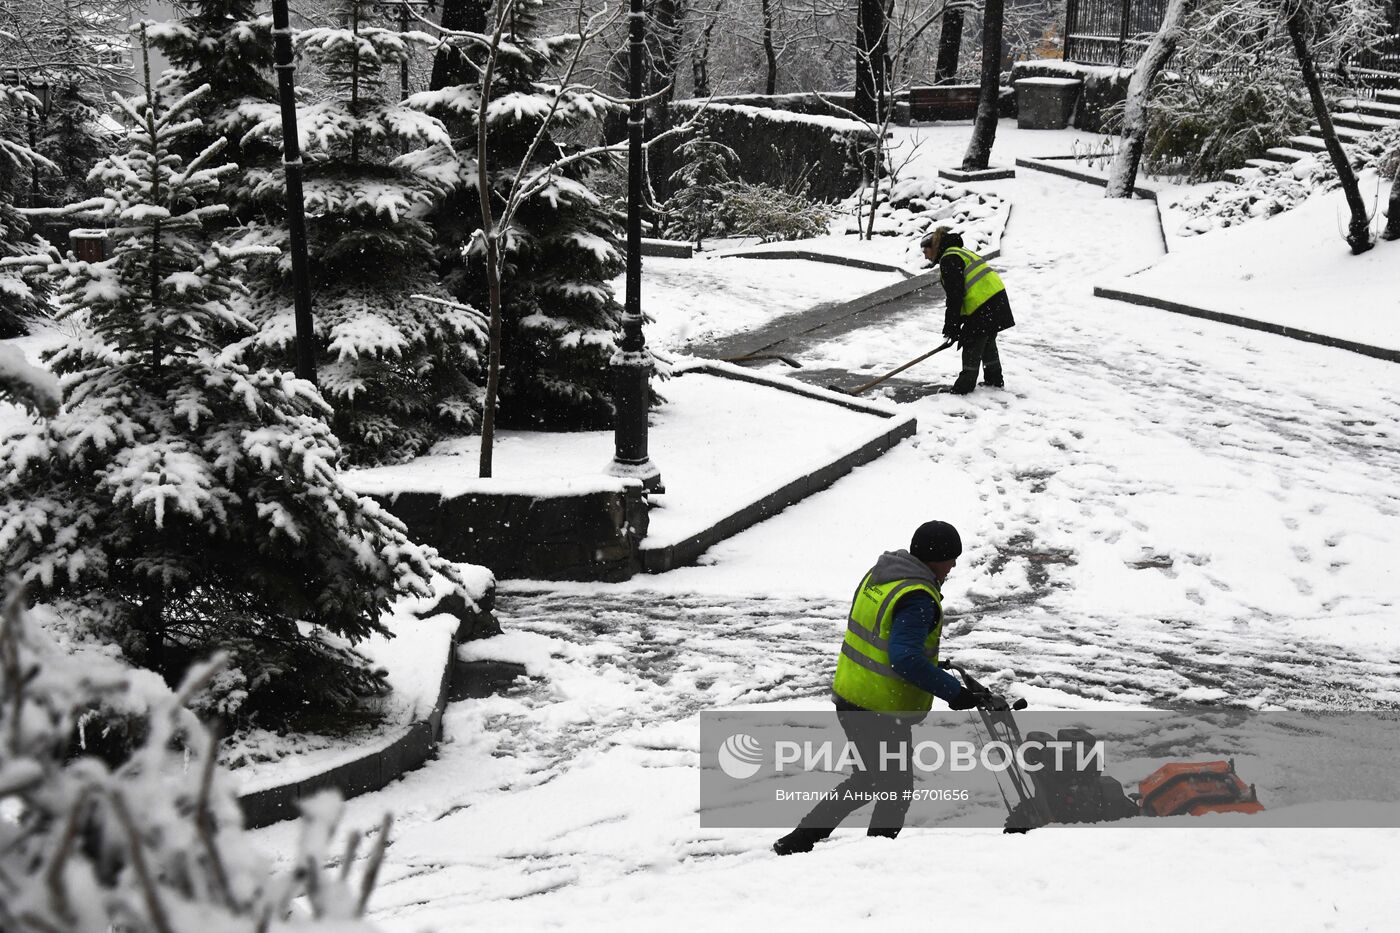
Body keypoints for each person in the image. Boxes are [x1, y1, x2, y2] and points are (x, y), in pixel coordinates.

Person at [772, 520, 1000, 856]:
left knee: (871, 780)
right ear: (937, 558)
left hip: (853, 695)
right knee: (894, 788)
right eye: (952, 558)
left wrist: (932, 668)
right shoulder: (918, 597)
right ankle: (873, 856)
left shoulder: (882, 576)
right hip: (879, 707)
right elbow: (903, 657)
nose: (953, 566)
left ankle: (802, 840)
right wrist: (954, 693)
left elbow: (884, 641)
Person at [921, 227, 1015, 395]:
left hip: (984, 304)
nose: (925, 256)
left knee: (972, 341)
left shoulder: (949, 259)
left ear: (934, 247)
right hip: (996, 300)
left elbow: (955, 296)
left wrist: (952, 326)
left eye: (925, 251)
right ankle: (994, 381)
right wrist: (955, 325)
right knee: (986, 342)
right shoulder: (958, 252)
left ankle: (963, 389)